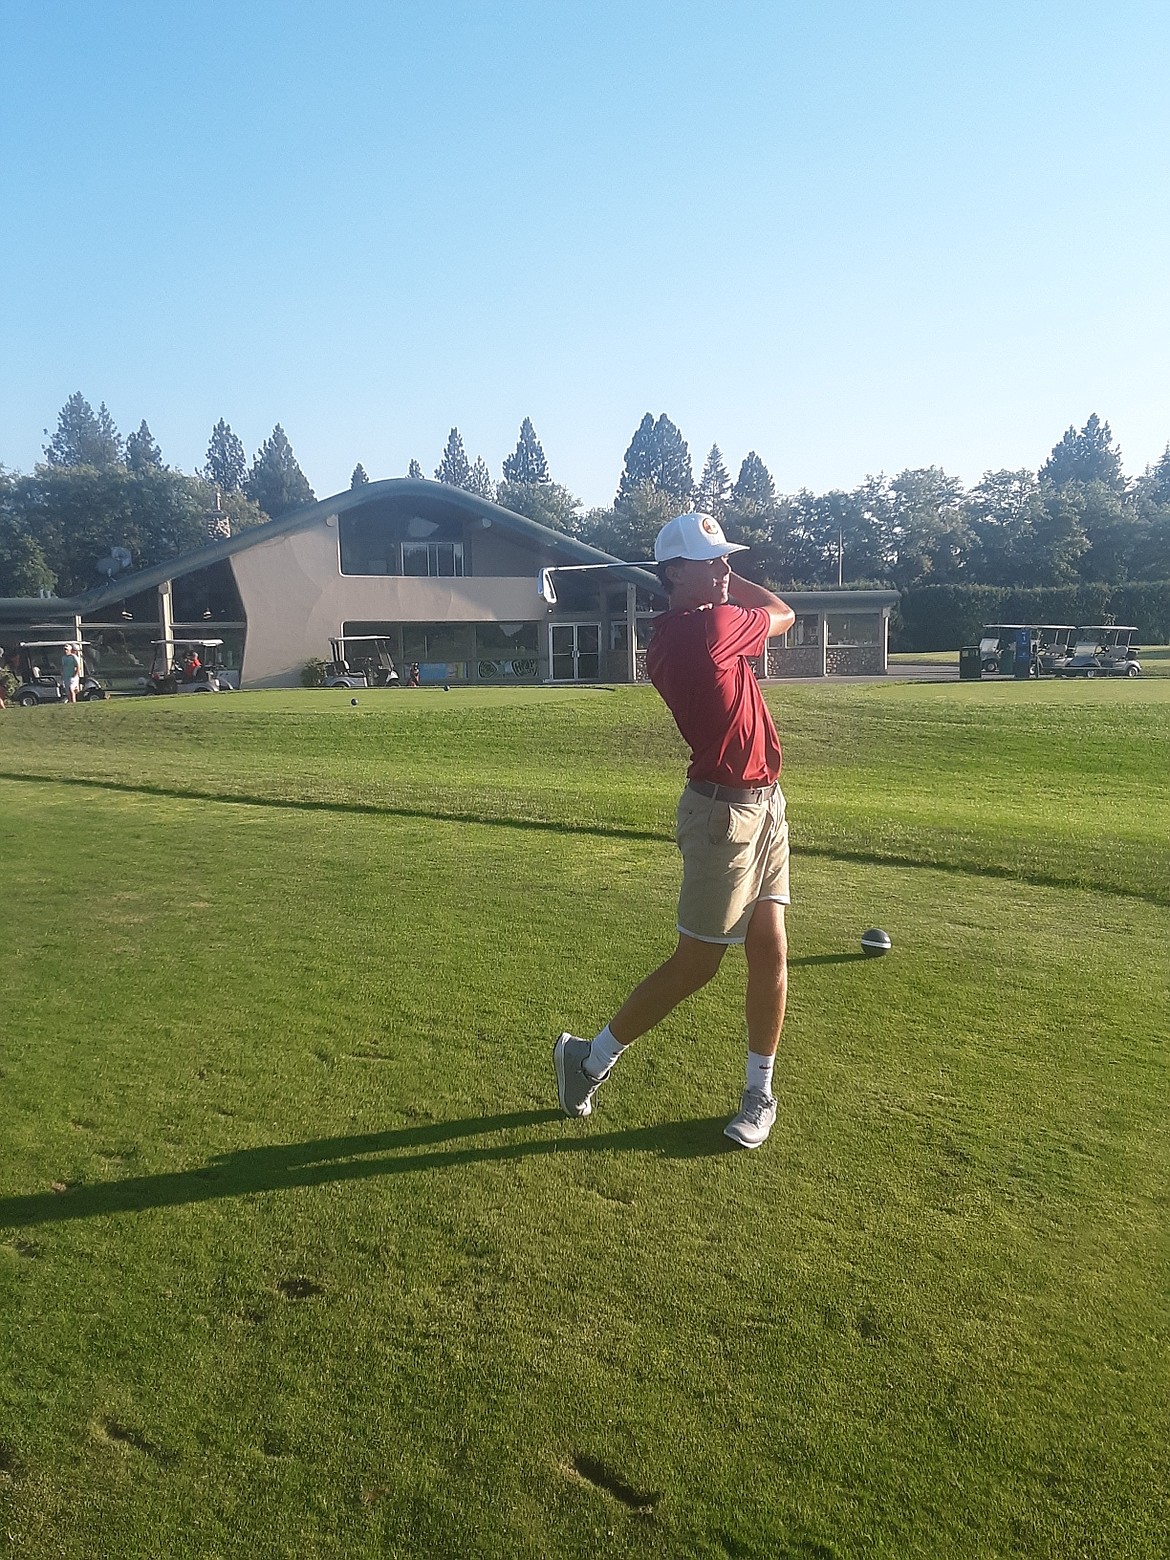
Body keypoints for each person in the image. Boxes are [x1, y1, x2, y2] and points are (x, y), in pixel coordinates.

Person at [553, 512, 796, 1149]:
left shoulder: (677, 630)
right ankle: (590, 1058)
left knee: (770, 941)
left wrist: (713, 573)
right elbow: (783, 612)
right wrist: (733, 581)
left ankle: (758, 1089)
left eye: (724, 558)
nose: (723, 568)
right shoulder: (710, 628)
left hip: (765, 804)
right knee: (697, 965)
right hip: (724, 817)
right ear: (674, 573)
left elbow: (751, 611)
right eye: (710, 560)